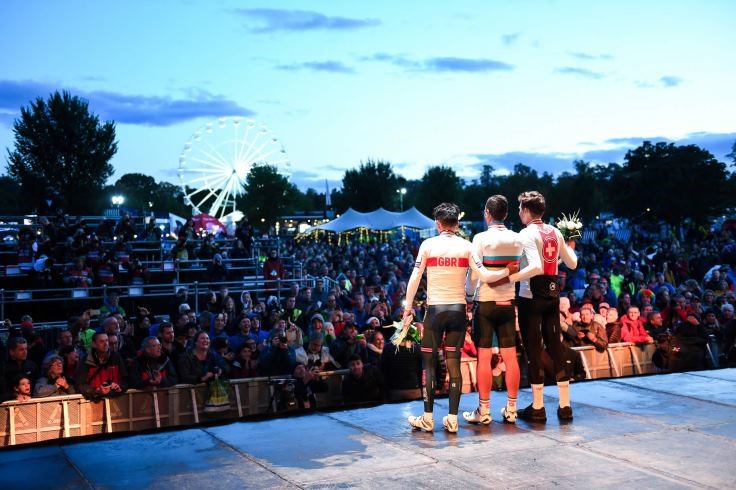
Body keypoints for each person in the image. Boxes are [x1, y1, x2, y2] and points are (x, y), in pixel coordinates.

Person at [403, 202, 517, 433]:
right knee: (454, 364)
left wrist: (407, 309)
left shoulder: (428, 244)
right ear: (457, 223)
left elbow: (415, 277)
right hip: (457, 311)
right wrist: (508, 270)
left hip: (434, 312)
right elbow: (484, 275)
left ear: (437, 223)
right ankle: (453, 419)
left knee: (429, 366)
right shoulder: (467, 246)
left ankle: (427, 417)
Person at [514, 191, 578, 423]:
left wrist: (508, 278)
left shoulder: (526, 233)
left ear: (528, 210)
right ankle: (564, 406)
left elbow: (535, 266)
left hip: (531, 296)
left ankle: (538, 407)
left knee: (533, 351)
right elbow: (572, 262)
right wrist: (570, 246)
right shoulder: (555, 231)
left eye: (520, 208)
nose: (519, 212)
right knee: (555, 347)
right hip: (552, 295)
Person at [463, 195, 523, 425]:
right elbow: (518, 271)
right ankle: (511, 409)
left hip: (486, 303)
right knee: (510, 357)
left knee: (484, 357)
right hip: (508, 302)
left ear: (487, 212)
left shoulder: (480, 238)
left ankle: (484, 411)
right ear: (506, 214)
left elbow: (474, 275)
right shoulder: (517, 239)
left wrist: (468, 296)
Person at [76, 332, 127, 399]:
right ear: (94, 344)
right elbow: (80, 385)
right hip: (93, 403)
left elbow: (125, 379)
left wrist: (120, 387)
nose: (106, 344)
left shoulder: (116, 357)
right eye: (101, 341)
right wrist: (97, 390)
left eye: (106, 340)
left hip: (116, 401)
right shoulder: (86, 361)